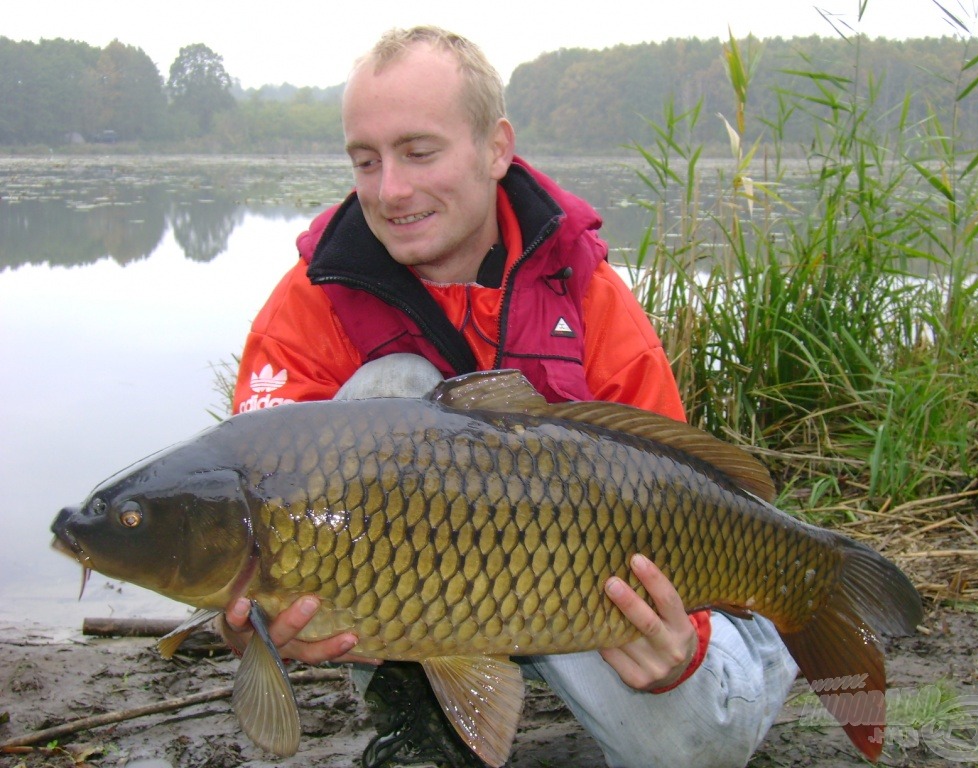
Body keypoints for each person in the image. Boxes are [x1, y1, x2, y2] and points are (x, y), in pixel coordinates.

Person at [220, 25, 797, 768]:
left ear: (496, 148)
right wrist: (247, 620)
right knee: (389, 391)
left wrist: (682, 648)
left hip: (577, 591)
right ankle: (421, 716)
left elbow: (677, 501)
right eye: (366, 160)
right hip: (423, 602)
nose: (390, 189)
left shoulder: (590, 297)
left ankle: (768, 647)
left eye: (419, 152)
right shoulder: (310, 304)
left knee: (694, 753)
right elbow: (247, 505)